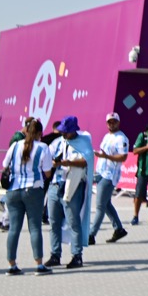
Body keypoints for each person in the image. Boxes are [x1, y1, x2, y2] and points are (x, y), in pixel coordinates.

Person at [2, 117, 55, 274]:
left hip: (13, 190)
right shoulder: (43, 147)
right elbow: (47, 172)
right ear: (39, 133)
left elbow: (5, 165)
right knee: (34, 228)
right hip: (33, 189)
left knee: (14, 229)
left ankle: (12, 265)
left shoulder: (15, 146)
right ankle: (39, 264)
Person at [45, 115, 93, 268]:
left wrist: (68, 162)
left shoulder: (83, 142)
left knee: (73, 221)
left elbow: (86, 161)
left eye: (66, 132)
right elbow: (47, 157)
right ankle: (55, 254)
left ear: (73, 131)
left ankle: (77, 255)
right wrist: (52, 162)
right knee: (53, 221)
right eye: (62, 131)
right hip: (55, 184)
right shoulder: (58, 142)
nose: (64, 134)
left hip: (73, 185)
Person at [91, 113, 130, 245]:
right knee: (106, 204)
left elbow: (123, 157)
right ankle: (118, 229)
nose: (111, 124)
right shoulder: (107, 136)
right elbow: (104, 153)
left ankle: (91, 234)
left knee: (100, 206)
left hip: (110, 175)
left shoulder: (121, 138)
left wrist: (107, 157)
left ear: (118, 123)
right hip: (101, 172)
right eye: (109, 122)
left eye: (114, 122)